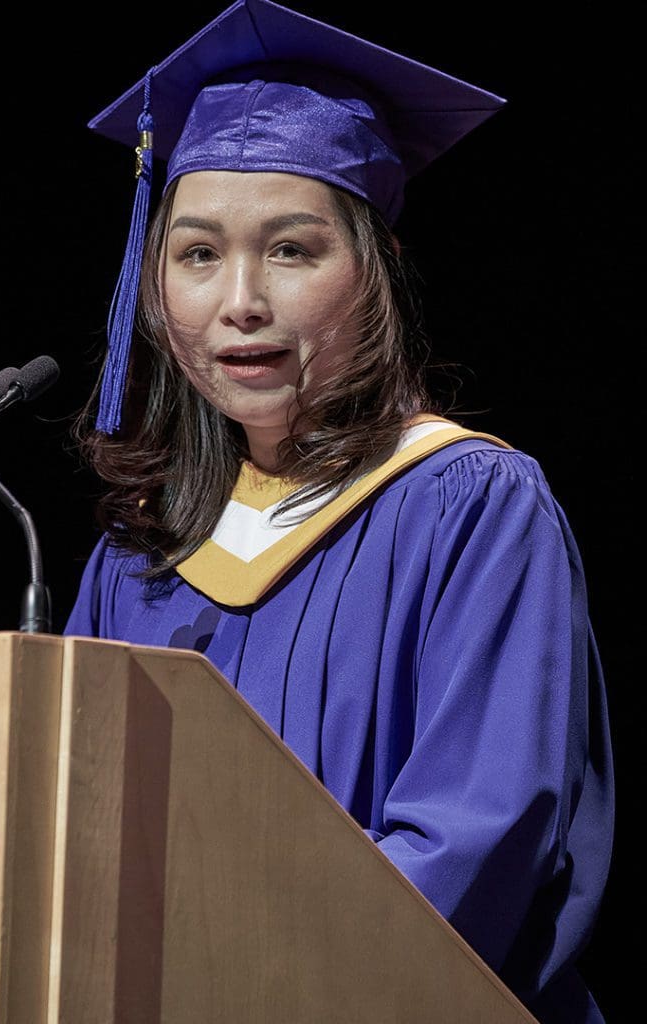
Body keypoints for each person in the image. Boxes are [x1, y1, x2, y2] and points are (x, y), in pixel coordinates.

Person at [63, 2, 614, 1021]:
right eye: (195, 255)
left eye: (291, 249)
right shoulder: (137, 553)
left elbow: (475, 838)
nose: (240, 301)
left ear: (378, 268)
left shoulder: (469, 509)